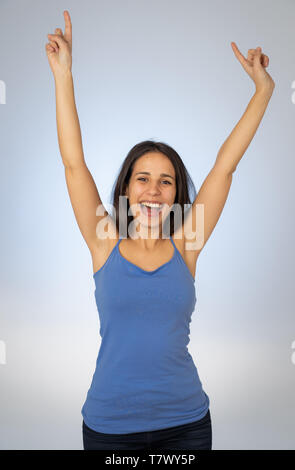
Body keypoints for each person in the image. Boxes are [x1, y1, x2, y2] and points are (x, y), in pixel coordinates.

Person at [45, 10, 275, 451]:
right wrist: (63, 76)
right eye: (143, 178)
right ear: (127, 188)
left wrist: (263, 90)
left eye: (166, 181)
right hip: (109, 427)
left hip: (187, 424)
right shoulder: (103, 241)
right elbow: (74, 162)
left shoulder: (187, 244)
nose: (153, 191)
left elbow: (224, 166)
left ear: (177, 194)